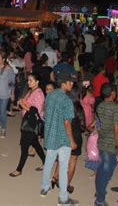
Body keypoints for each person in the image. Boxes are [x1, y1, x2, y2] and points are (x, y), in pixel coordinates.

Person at [40, 70, 78, 206]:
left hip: (51, 135)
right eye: (70, 82)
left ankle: (44, 188)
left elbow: (44, 114)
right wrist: (72, 141)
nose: (72, 84)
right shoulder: (66, 100)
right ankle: (63, 199)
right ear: (64, 83)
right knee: (63, 168)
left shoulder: (50, 95)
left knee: (49, 163)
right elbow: (67, 122)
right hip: (63, 139)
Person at [9, 73, 46, 177]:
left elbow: (36, 111)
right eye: (28, 80)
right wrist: (22, 102)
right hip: (27, 120)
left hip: (32, 122)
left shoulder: (39, 94)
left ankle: (19, 169)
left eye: (31, 80)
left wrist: (23, 105)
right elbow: (26, 102)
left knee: (24, 147)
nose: (28, 82)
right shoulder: (31, 90)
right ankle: (46, 161)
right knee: (36, 144)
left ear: (37, 82)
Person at [51, 84, 86, 194]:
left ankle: (54, 178)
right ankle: (66, 185)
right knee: (72, 161)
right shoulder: (78, 108)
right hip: (73, 137)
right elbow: (82, 127)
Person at [94, 83, 118, 206]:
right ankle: (100, 200)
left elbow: (98, 124)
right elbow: (117, 129)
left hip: (101, 142)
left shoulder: (100, 106)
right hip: (110, 144)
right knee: (107, 172)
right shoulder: (116, 108)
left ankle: (99, 191)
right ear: (112, 93)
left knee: (101, 170)